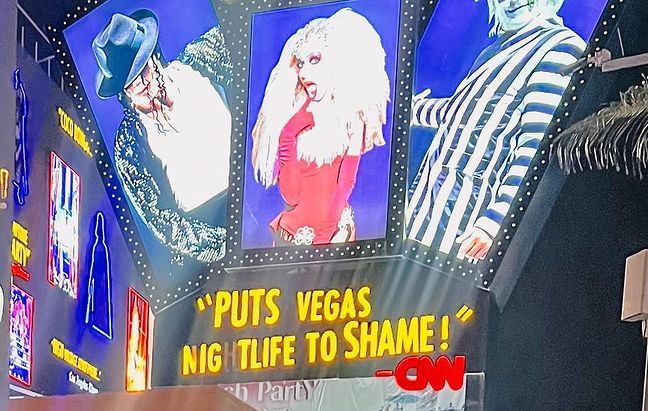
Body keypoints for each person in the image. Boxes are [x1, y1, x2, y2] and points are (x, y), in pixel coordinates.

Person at [406, 0, 584, 260]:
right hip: (424, 215)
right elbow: (462, 114)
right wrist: (408, 109)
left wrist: (494, 221)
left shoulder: (560, 46)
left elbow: (536, 145)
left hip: (463, 231)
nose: (511, 2)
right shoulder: (495, 50)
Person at [94, 8, 232, 264]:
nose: (141, 85)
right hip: (208, 237)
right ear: (123, 94)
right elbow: (160, 220)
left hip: (259, 189)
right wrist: (225, 243)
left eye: (142, 72)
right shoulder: (128, 143)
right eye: (131, 84)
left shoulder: (204, 56)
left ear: (153, 58)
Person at [251, 8, 390, 245]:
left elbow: (346, 181)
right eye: (301, 63)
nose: (304, 72)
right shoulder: (294, 115)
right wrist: (287, 135)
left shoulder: (351, 118)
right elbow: (291, 195)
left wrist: (329, 231)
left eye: (314, 60)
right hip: (290, 238)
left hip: (335, 237)